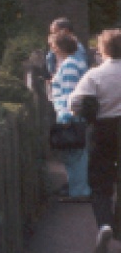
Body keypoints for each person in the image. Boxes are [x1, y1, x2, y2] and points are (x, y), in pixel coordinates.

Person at [70, 28, 121, 253]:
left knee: (100, 181)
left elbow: (75, 103)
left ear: (103, 49)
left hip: (103, 129)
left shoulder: (95, 75)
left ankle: (105, 224)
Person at [50, 32, 91, 201]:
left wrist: (66, 118)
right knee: (77, 154)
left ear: (60, 47)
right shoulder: (76, 62)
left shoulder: (69, 66)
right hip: (76, 116)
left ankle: (79, 191)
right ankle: (78, 189)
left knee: (74, 155)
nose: (52, 49)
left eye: (53, 46)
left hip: (70, 117)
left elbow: (69, 93)